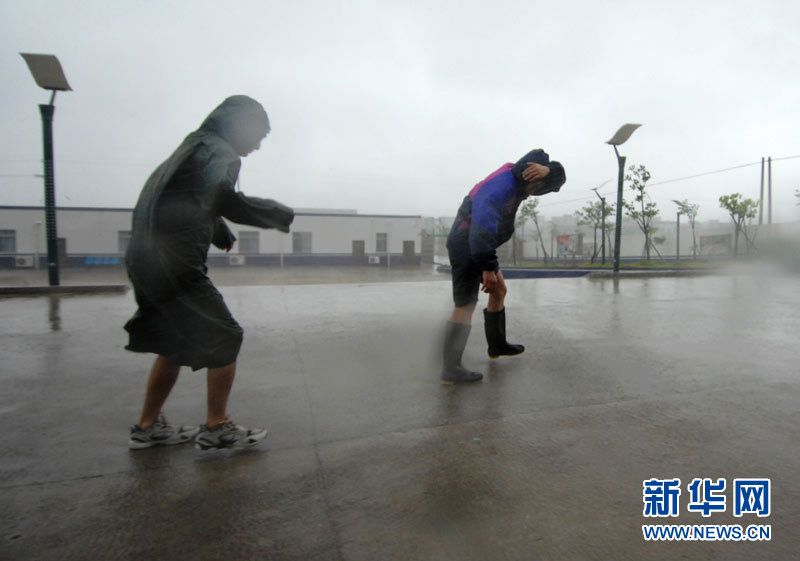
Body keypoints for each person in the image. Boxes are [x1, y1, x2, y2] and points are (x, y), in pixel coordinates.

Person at [124, 95, 294, 450]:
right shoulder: (219, 151)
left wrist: (216, 227)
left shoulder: (192, 147)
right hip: (173, 262)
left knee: (173, 342)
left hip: (145, 257)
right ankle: (216, 427)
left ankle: (147, 426)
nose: (258, 146)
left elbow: (187, 194)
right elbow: (218, 194)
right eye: (258, 136)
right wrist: (272, 214)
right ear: (241, 127)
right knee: (225, 335)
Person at [441, 149, 566, 384]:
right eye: (538, 187)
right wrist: (488, 268)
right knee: (465, 304)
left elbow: (559, 179)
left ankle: (497, 345)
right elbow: (480, 233)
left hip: (479, 244)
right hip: (466, 245)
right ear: (528, 176)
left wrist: (550, 171)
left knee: (499, 290)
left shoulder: (519, 176)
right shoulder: (499, 188)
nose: (537, 193)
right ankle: (450, 369)